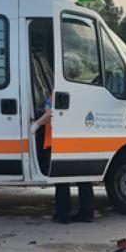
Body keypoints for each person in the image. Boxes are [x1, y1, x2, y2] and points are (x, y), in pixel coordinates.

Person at [31, 95, 94, 225]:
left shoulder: (60, 91)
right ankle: (86, 213)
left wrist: (37, 123)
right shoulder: (76, 91)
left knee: (61, 180)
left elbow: (53, 112)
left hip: (60, 142)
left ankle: (62, 215)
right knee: (84, 178)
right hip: (76, 140)